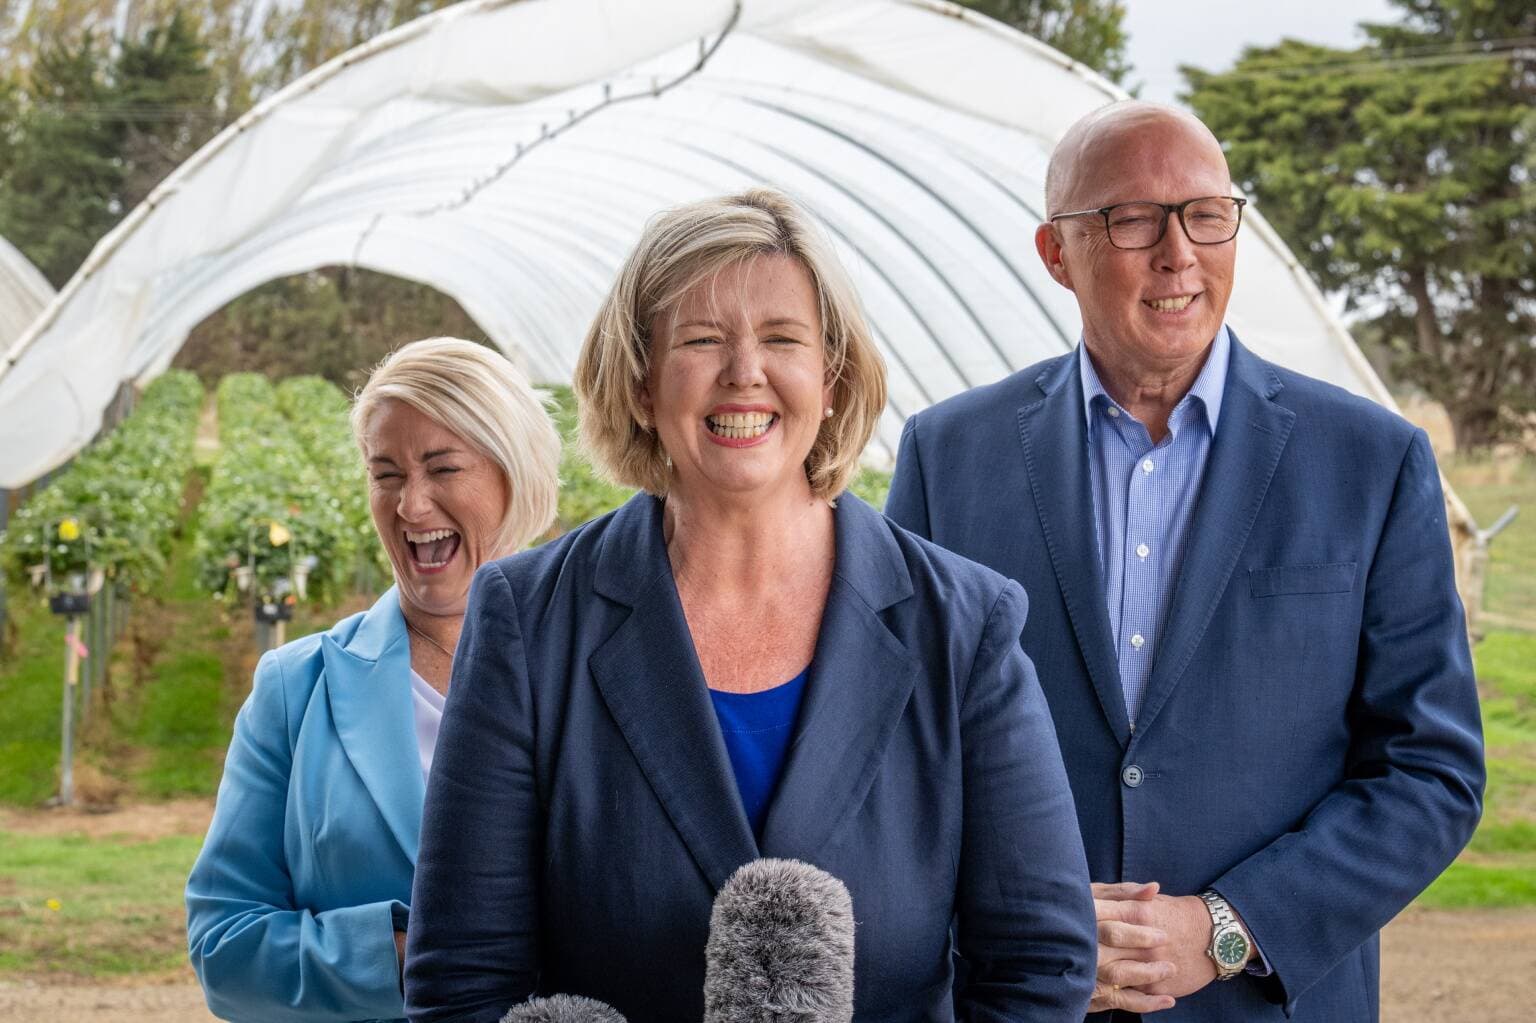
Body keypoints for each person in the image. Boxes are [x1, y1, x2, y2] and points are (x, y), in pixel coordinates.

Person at [404, 188, 1097, 1022]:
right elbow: (463, 977)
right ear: (640, 381)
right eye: (701, 340)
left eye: (782, 339)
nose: (744, 372)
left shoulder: (963, 625)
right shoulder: (529, 619)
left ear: (833, 378)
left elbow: (1039, 960)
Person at [886, 101, 1485, 1022]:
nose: (1179, 253)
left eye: (1207, 215)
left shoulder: (1372, 460)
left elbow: (1432, 771)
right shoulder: (947, 457)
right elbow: (904, 758)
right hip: (1027, 1002)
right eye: (1133, 220)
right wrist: (1022, 926)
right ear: (1056, 254)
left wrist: (1225, 929)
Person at [186, 337, 562, 1022]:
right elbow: (223, 942)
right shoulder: (295, 690)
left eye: (443, 467)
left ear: (518, 473)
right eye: (385, 473)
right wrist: (405, 956)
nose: (411, 506)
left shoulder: (597, 671)